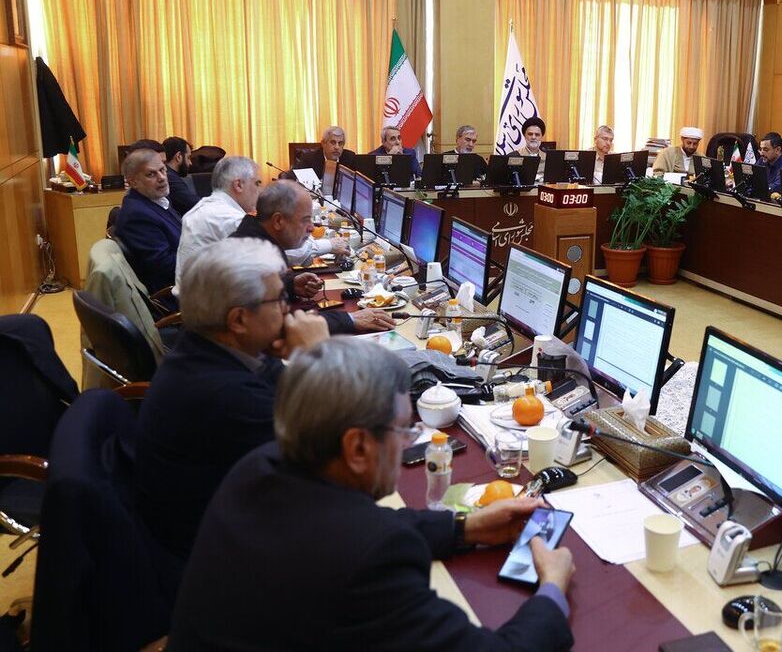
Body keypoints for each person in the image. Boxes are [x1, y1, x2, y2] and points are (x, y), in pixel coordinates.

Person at [169, 339, 575, 650]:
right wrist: (553, 588)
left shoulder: (258, 467)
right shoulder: (369, 558)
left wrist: (467, 527)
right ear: (358, 447)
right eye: (403, 430)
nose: (408, 442)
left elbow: (359, 526)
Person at [136, 237, 331, 570]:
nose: (288, 309)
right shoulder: (224, 396)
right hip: (226, 563)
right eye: (279, 299)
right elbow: (327, 463)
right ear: (238, 320)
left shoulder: (204, 348)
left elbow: (277, 386)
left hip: (226, 526)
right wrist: (318, 358)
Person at [231, 181, 395, 336]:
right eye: (305, 220)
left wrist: (290, 285)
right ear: (278, 221)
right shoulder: (256, 258)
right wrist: (349, 319)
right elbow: (277, 326)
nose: (311, 227)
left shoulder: (252, 241)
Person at [176, 156, 272, 282]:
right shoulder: (230, 218)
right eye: (257, 183)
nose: (260, 190)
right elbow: (271, 258)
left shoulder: (204, 207)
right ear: (239, 185)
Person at [114, 148, 182, 294]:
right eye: (151, 174)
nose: (162, 177)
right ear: (133, 182)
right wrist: (206, 257)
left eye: (162, 170)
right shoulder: (138, 215)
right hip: (176, 291)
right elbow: (166, 266)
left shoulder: (156, 200)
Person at [293, 126, 357, 196]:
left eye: (340, 143)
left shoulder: (349, 158)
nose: (337, 147)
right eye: (333, 142)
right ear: (323, 143)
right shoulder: (309, 159)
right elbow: (290, 178)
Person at [163, 136, 199, 215]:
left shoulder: (170, 175)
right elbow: (195, 204)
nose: (190, 163)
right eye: (188, 157)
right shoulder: (170, 178)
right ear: (179, 156)